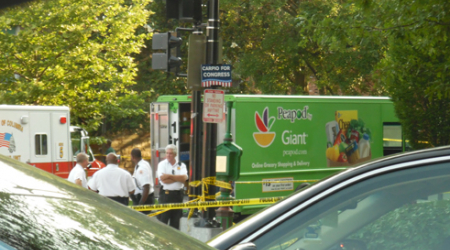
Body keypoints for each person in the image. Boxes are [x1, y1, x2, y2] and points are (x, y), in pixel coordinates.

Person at [157, 144, 188, 229]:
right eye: (167, 153)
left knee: (175, 223)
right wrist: (178, 178)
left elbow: (184, 179)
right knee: (162, 222)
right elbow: (164, 181)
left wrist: (169, 176)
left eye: (170, 153)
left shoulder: (181, 165)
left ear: (175, 154)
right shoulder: (162, 164)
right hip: (166, 196)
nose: (168, 155)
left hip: (178, 195)